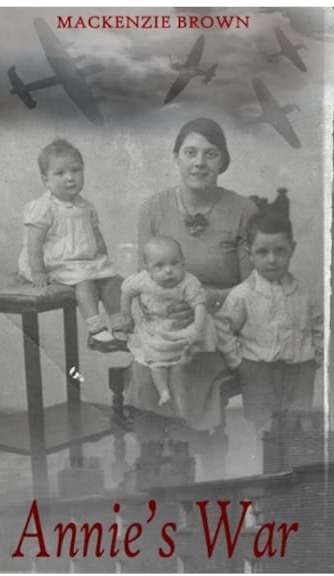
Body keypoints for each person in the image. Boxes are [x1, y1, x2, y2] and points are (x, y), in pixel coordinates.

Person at [131, 117, 258, 449]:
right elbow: (143, 280)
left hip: (221, 324)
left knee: (185, 369)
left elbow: (254, 288)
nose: (199, 162)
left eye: (210, 154)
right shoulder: (152, 209)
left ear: (223, 161)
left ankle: (187, 453)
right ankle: (153, 458)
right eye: (190, 152)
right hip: (166, 322)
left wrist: (204, 301)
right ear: (176, 157)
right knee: (145, 368)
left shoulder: (243, 210)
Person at [214, 212, 322, 432]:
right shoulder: (243, 294)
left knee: (298, 422)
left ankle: (293, 452)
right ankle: (267, 453)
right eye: (262, 252)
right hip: (258, 371)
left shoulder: (305, 292)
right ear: (250, 253)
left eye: (280, 251)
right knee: (264, 425)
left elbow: (319, 325)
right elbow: (222, 326)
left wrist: (317, 355)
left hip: (300, 370)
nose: (272, 259)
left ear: (292, 249)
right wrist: (237, 362)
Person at [17, 138, 126, 352]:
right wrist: (38, 272)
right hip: (57, 262)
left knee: (113, 281)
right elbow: (34, 244)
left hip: (84, 260)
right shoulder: (44, 207)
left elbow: (96, 235)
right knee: (84, 283)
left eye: (75, 170)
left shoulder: (86, 206)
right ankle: (96, 330)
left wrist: (103, 259)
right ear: (46, 180)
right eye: (60, 173)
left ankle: (119, 326)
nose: (69, 177)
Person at [120, 236, 208, 409]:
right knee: (155, 360)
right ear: (148, 269)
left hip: (181, 328)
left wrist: (198, 330)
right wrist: (126, 316)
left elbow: (199, 304)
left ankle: (185, 418)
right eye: (159, 266)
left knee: (185, 363)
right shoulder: (143, 280)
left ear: (183, 263)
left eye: (175, 263)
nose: (168, 271)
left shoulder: (188, 282)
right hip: (155, 329)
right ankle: (163, 392)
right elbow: (126, 291)